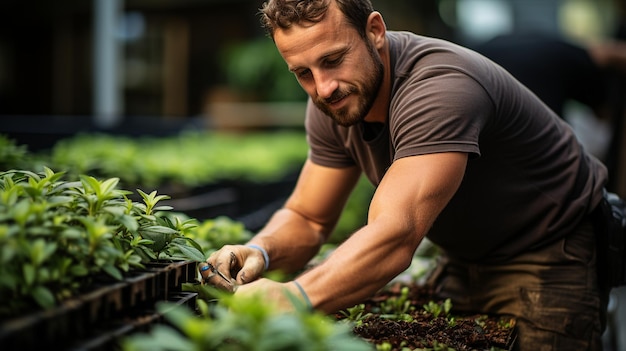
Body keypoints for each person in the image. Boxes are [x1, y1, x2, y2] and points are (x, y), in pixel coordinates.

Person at [199, 0, 613, 349]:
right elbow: (309, 218)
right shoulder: (334, 102)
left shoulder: (439, 88)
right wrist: (261, 251)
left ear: (374, 31)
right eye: (303, 73)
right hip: (464, 258)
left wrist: (296, 296)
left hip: (551, 254)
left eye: (332, 60)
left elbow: (395, 235)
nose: (323, 88)